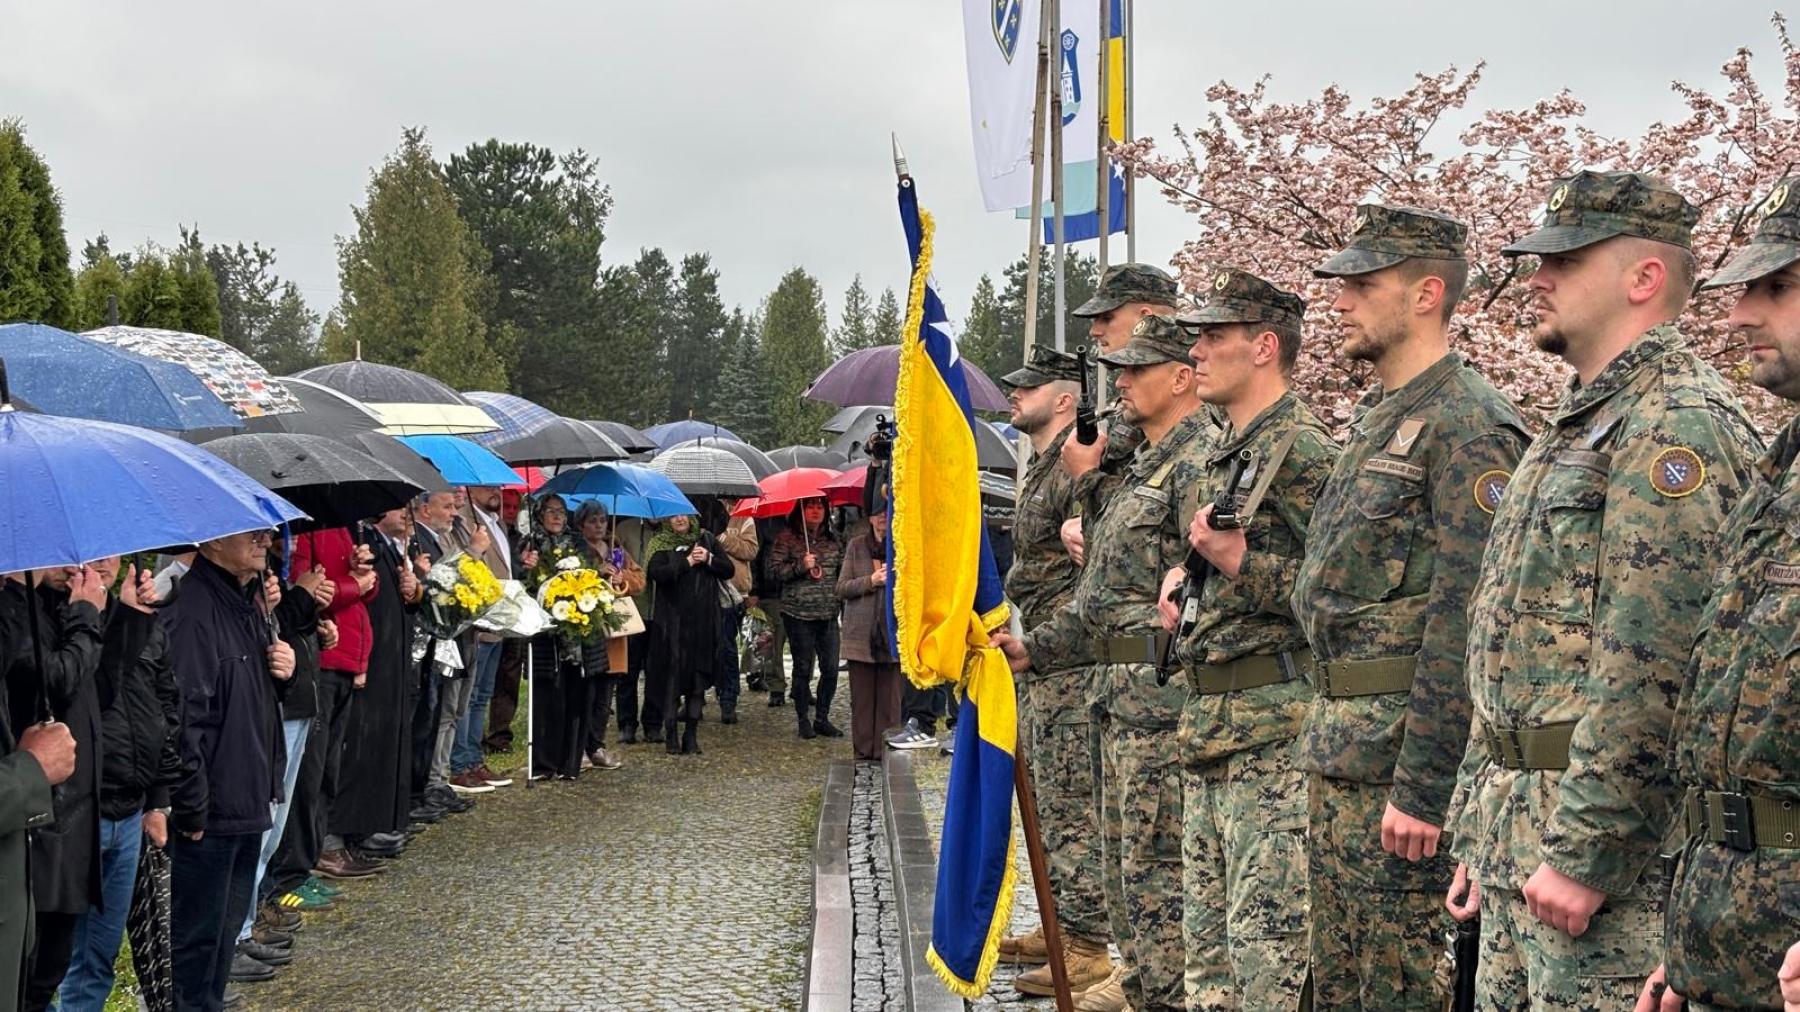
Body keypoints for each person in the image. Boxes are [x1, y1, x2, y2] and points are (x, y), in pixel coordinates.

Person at [1442, 170, 1763, 1009]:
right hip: (1525, 835)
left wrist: (1589, 851)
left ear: (1643, 279)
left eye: (1565, 260)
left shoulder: (1673, 424)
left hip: (1599, 869)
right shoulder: (1582, 419)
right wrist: (1484, 827)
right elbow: (1511, 639)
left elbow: (1657, 662)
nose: (1536, 278)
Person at [1290, 205, 1530, 1009]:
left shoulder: (1469, 428)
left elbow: (1468, 618)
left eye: (1363, 283)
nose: (1340, 300)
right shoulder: (1379, 420)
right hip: (1341, 756)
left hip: (1397, 775)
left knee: (1399, 988)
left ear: (1426, 294)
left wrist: (1426, 787)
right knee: (1341, 986)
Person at [995, 315, 1214, 1012]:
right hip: (1116, 693)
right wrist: (1037, 648)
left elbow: (1195, 584)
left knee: (1160, 870)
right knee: (1130, 871)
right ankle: (1138, 982)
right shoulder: (1144, 464)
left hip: (1161, 695)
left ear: (1181, 379)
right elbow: (1102, 593)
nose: (1119, 382)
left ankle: (1151, 989)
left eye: (1135, 370)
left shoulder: (1198, 461)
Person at [1636, 177, 1800, 1012]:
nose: (1739, 314)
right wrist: (1690, 944)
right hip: (1732, 943)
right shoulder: (1780, 467)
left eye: (1777, 286)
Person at [1155, 271, 1338, 1009]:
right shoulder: (1225, 454)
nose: (1194, 352)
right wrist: (1187, 587)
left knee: (1269, 965)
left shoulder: (1307, 455)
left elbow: (1340, 600)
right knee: (1211, 971)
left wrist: (1244, 566)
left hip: (1274, 738)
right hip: (1211, 731)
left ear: (1264, 348)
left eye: (1212, 337)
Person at [988, 345, 1117, 995]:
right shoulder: (1044, 460)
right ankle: (1059, 923)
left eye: (1028, 389)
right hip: (1041, 651)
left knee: (1070, 807)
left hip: (1070, 657)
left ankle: (1086, 947)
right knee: (1045, 800)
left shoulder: (1078, 459)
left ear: (1064, 398)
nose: (1016, 396)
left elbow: (1094, 542)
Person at [162, 530, 296, 1012]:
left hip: (246, 795)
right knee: (197, 943)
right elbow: (184, 718)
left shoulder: (245, 602)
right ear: (213, 542)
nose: (266, 541)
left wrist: (284, 672)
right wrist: (192, 809)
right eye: (252, 534)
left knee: (222, 940)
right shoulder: (194, 611)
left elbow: (247, 696)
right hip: (212, 808)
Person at [56, 558, 187, 1011]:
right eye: (92, 552)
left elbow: (165, 710)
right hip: (77, 811)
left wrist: (159, 799)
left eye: (111, 550)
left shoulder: (140, 617)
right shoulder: (58, 620)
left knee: (99, 957)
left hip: (131, 808)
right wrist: (91, 619)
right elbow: (87, 695)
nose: (102, 561)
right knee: (59, 963)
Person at [0, 563, 113, 1012]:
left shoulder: (40, 605)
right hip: (42, 832)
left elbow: (102, 691)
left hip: (55, 835)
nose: (78, 563)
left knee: (44, 973)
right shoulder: (22, 611)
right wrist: (86, 615)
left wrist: (130, 618)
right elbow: (57, 679)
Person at [289, 525, 377, 879]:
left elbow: (364, 589)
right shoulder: (309, 531)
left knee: (328, 768)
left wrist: (361, 576)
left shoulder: (343, 528)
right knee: (311, 772)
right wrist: (355, 585)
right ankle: (303, 861)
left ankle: (319, 850)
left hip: (347, 655)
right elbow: (306, 591)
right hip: (325, 659)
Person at [646, 514, 734, 755]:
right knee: (672, 681)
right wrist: (686, 562)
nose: (680, 519)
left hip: (703, 623)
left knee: (697, 681)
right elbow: (657, 573)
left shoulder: (706, 539)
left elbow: (728, 570)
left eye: (684, 514)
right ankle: (671, 733)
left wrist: (708, 558)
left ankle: (691, 735)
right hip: (671, 625)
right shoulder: (660, 543)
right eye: (674, 516)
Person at [449, 484, 516, 793]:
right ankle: (460, 762)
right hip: (477, 620)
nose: (496, 492)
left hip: (499, 618)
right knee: (468, 695)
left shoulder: (496, 521)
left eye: (498, 487)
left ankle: (474, 759)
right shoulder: (464, 521)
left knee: (482, 695)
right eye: (488, 486)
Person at [522, 494, 590, 780]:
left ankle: (570, 761)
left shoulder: (577, 542)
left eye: (561, 511)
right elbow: (522, 583)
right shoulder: (529, 543)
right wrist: (526, 566)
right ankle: (543, 762)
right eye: (550, 511)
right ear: (539, 514)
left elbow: (591, 574)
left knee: (576, 694)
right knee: (546, 695)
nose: (557, 516)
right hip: (543, 632)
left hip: (577, 631)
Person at [769, 499, 846, 740]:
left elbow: (843, 572)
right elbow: (773, 573)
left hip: (828, 613)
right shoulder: (787, 538)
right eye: (809, 507)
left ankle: (822, 717)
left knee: (831, 669)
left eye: (819, 507)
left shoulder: (833, 540)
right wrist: (800, 566)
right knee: (802, 668)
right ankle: (803, 718)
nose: (815, 511)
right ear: (800, 511)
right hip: (798, 614)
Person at [574, 502, 642, 769]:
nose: (599, 525)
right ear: (581, 524)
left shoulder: (616, 549)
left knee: (605, 692)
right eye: (593, 521)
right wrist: (595, 573)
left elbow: (639, 580)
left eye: (602, 520)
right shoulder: (576, 549)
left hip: (614, 630)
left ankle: (597, 744)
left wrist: (620, 577)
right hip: (588, 627)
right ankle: (578, 746)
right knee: (585, 691)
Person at [836, 508, 900, 762]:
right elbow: (841, 588)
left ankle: (884, 753)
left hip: (892, 634)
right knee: (862, 702)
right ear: (870, 519)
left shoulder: (902, 546)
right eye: (877, 513)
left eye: (887, 512)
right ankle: (863, 754)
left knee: (890, 701)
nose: (883, 517)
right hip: (860, 637)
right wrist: (870, 581)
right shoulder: (856, 546)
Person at [714, 502, 759, 725]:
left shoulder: (743, 518)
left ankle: (729, 699)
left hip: (735, 594)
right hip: (707, 591)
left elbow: (750, 550)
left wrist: (722, 538)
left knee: (727, 648)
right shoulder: (702, 513)